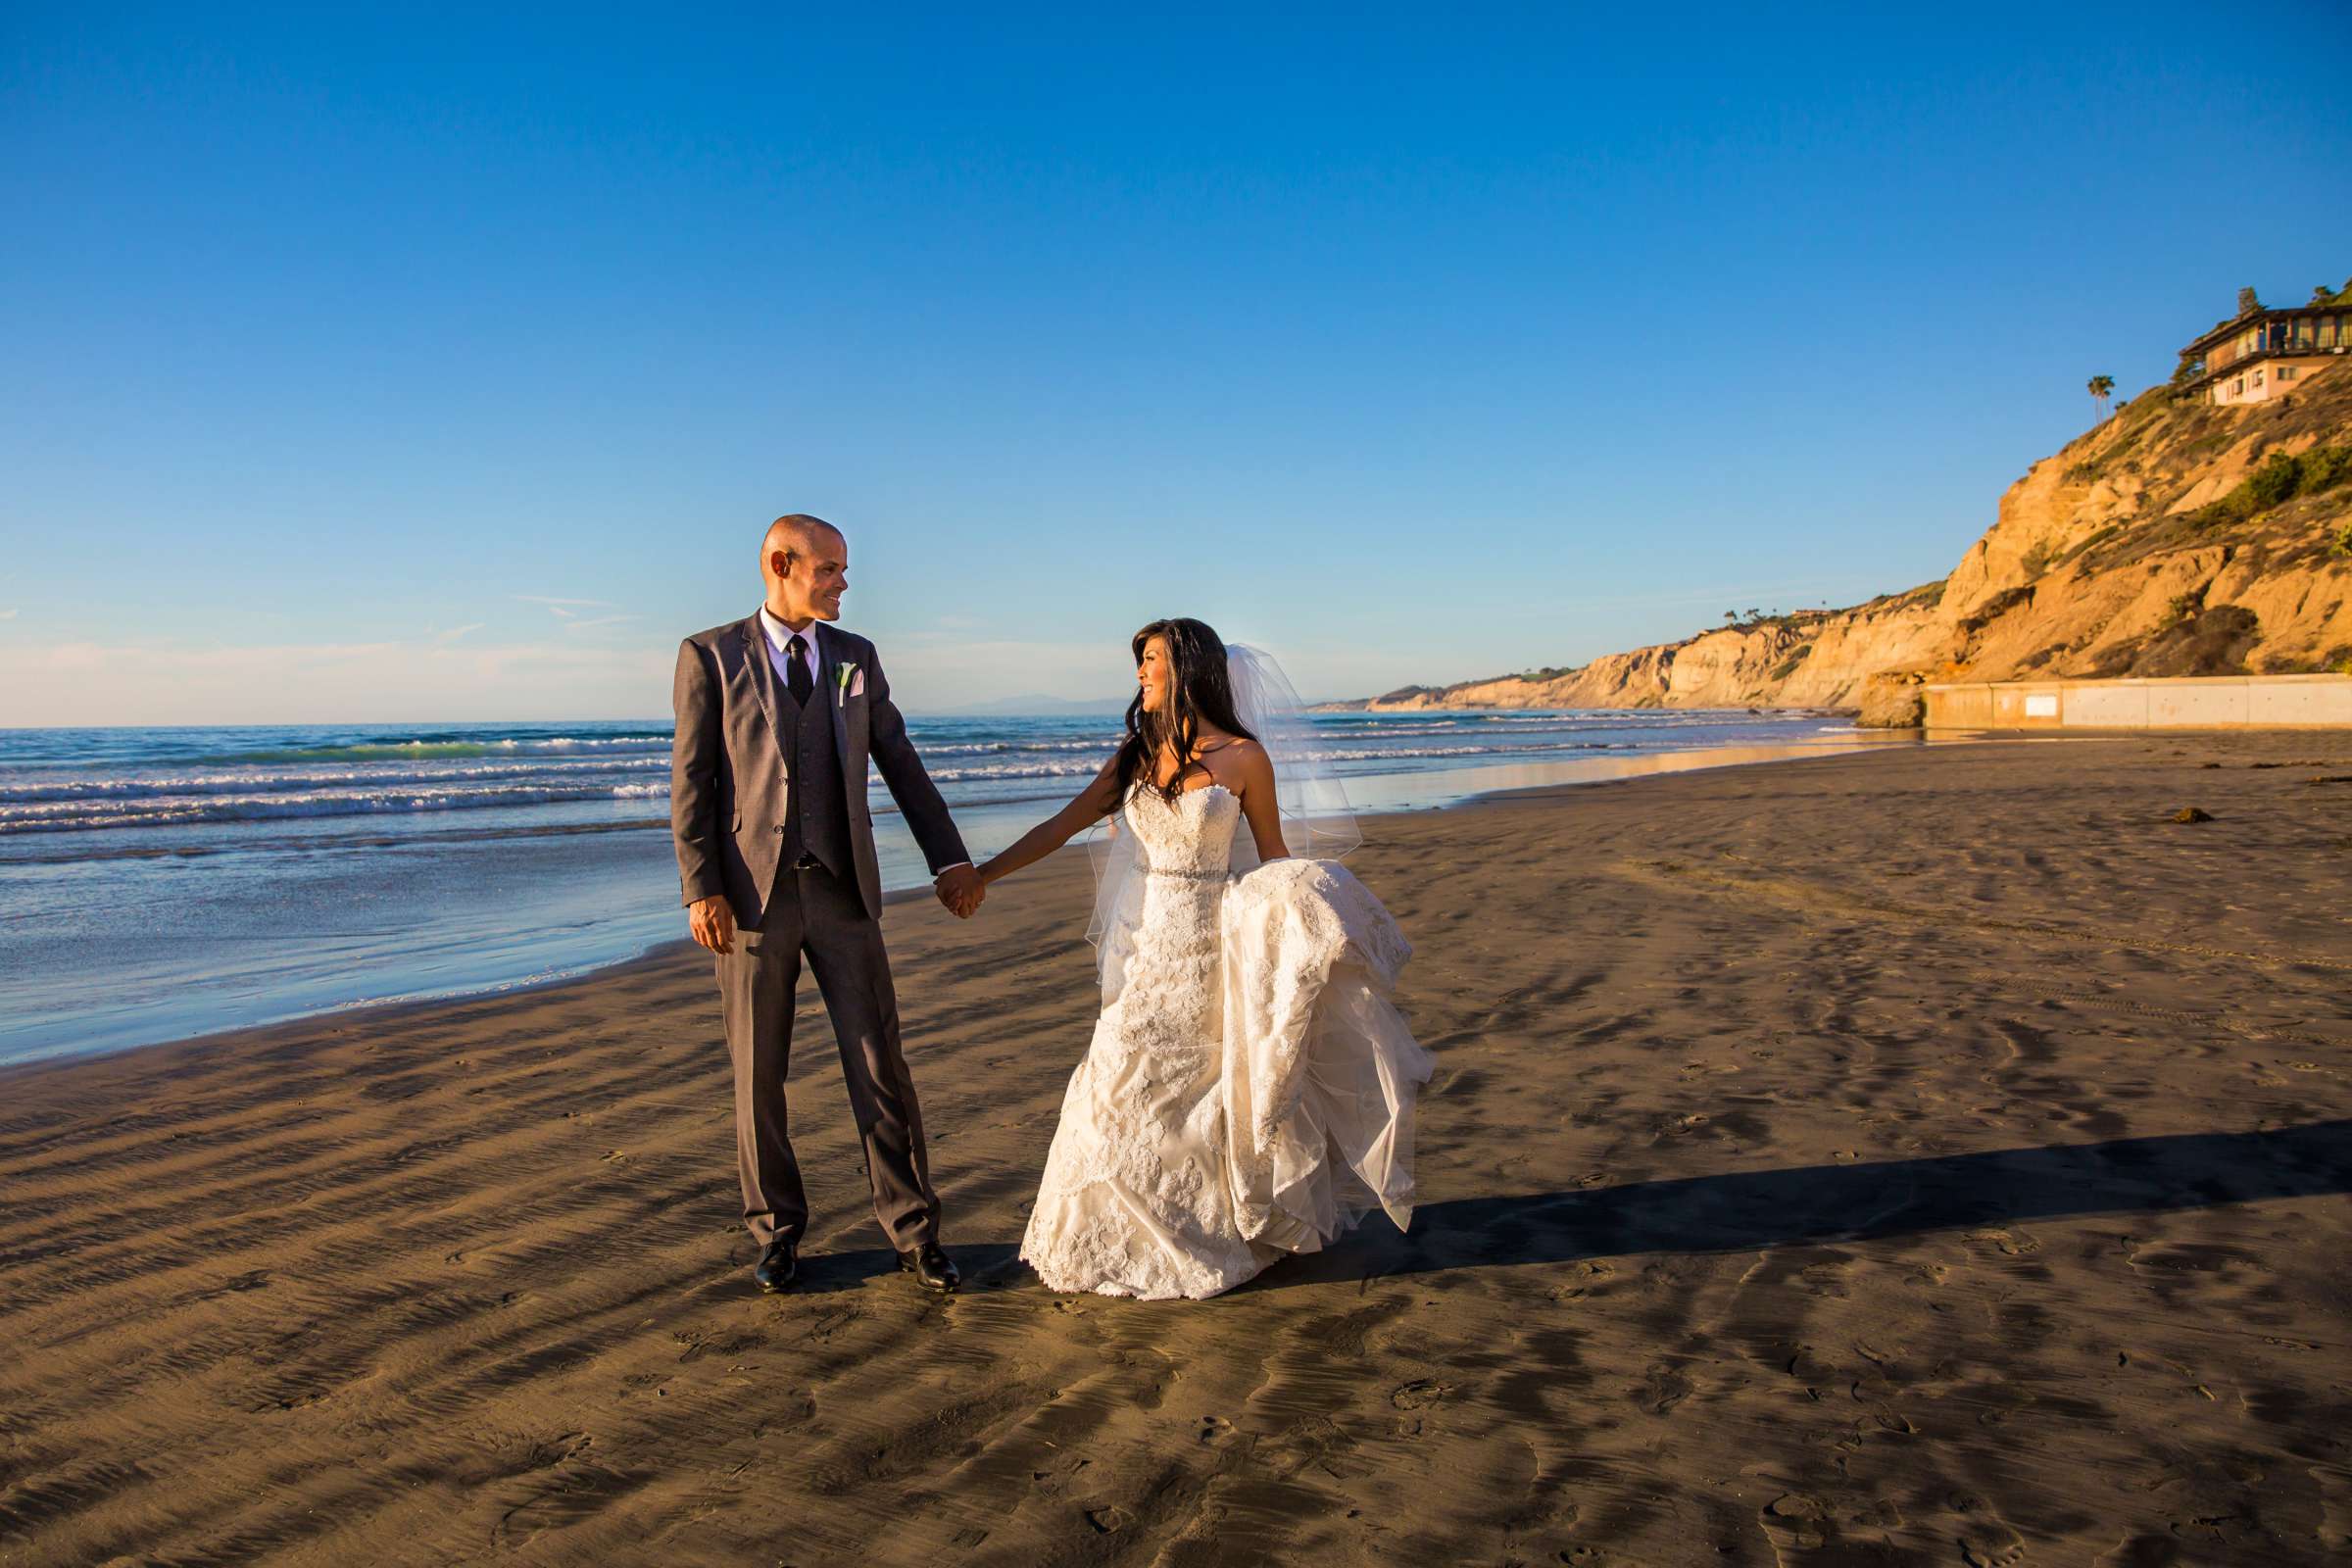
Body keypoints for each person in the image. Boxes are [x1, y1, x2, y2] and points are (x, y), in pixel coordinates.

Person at [973, 617, 1432, 1299]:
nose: (1141, 674)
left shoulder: (1246, 758)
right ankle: (1098, 1235)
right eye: (1140, 663)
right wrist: (982, 874)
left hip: (1213, 938)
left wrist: (1300, 931)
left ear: (1187, 667)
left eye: (1151, 660)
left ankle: (1208, 1233)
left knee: (1203, 1083)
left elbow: (1275, 856)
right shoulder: (1135, 755)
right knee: (1118, 1071)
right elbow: (1060, 826)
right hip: (1146, 940)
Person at [668, 514, 986, 1295]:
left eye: (843, 570)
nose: (844, 584)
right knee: (758, 1074)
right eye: (830, 570)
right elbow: (693, 779)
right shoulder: (709, 655)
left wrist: (948, 858)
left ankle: (914, 1232)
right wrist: (699, 885)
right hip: (750, 899)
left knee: (881, 1065)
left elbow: (901, 764)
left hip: (844, 893)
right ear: (782, 563)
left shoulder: (856, 659)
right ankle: (777, 1233)